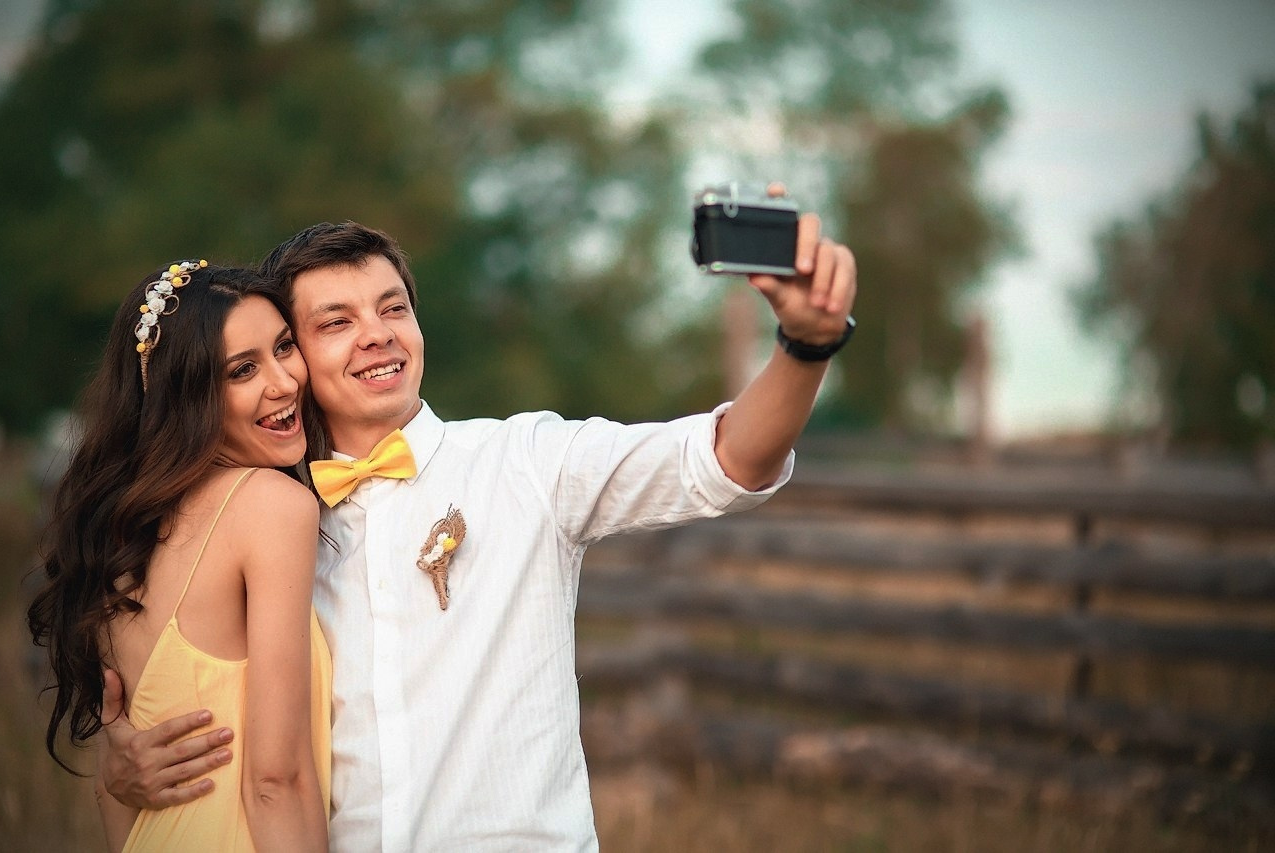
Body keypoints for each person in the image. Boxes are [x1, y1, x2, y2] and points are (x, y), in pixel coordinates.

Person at [100, 202, 857, 850]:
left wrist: (807, 346)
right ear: (296, 359)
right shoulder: (272, 518)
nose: (377, 333)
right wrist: (120, 769)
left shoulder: (525, 461)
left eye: (393, 308)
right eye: (336, 322)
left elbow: (728, 457)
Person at [27, 263, 332, 852]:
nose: (285, 382)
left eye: (283, 347)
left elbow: (115, 792)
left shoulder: (119, 543)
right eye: (242, 370)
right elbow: (277, 780)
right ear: (187, 396)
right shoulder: (271, 506)